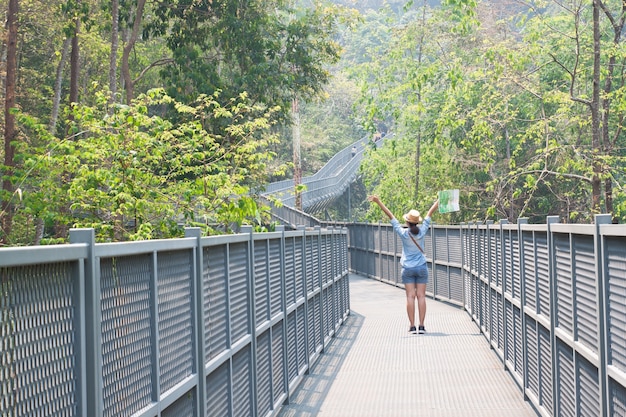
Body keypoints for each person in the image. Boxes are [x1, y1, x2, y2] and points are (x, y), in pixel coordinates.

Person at [367, 195, 439, 334]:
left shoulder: (403, 233)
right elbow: (430, 213)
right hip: (421, 267)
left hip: (407, 269)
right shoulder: (422, 231)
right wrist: (438, 201)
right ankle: (422, 326)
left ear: (407, 222)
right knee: (421, 296)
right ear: (417, 222)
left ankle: (412, 326)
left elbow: (391, 216)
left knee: (410, 296)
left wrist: (378, 201)